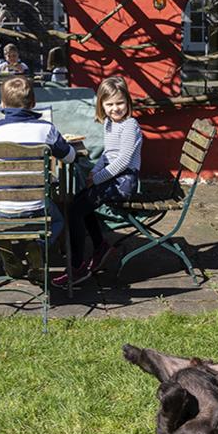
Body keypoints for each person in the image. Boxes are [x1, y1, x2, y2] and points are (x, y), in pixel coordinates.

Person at [0, 75, 77, 281]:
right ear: (34, 103)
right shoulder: (47, 128)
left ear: (2, 104)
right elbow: (70, 156)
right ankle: (37, 247)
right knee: (58, 220)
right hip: (36, 206)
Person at [53, 75, 142, 288]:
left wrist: (98, 177)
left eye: (120, 103)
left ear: (128, 102)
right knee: (80, 201)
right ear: (101, 104)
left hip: (124, 182)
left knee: (75, 210)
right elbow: (108, 154)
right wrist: (95, 170)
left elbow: (123, 160)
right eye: (109, 104)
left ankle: (77, 266)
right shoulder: (110, 123)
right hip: (113, 178)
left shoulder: (130, 125)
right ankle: (100, 245)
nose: (115, 108)